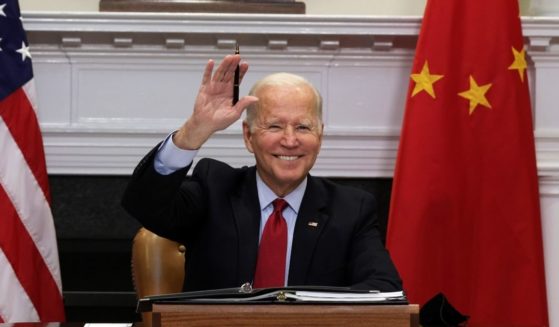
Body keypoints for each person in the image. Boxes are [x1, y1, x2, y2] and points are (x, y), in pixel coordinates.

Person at [122, 54, 402, 292]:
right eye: (275, 126)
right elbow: (143, 204)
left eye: (303, 127)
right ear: (248, 136)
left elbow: (384, 289)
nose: (290, 141)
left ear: (320, 135)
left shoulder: (352, 209)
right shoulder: (214, 187)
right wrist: (193, 131)